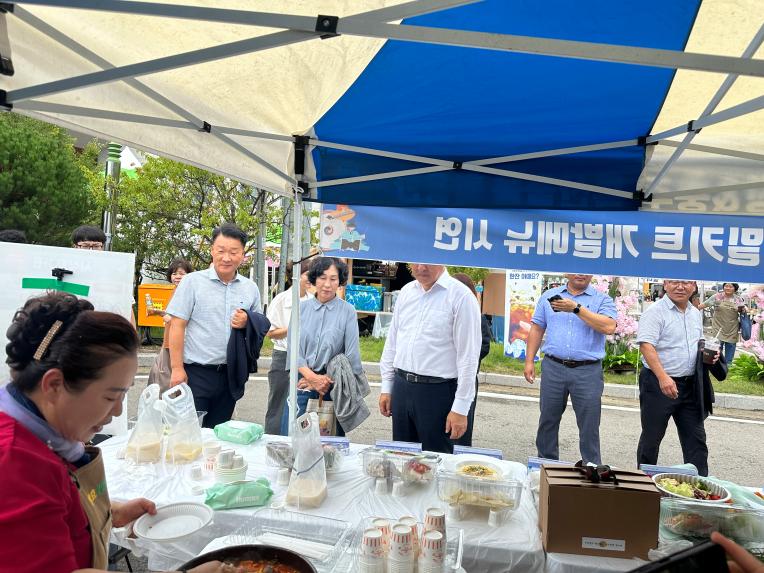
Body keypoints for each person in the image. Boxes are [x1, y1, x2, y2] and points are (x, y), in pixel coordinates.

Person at [0, 291, 231, 573]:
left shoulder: (45, 434)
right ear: (54, 385)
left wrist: (105, 513)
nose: (118, 412)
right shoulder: (15, 464)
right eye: (111, 397)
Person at [166, 223, 262, 428]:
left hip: (230, 374)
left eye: (234, 252)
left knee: (219, 434)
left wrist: (247, 321)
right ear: (212, 251)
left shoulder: (250, 288)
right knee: (188, 434)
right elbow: (177, 325)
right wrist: (176, 368)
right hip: (195, 373)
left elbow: (259, 325)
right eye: (221, 251)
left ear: (243, 255)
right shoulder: (192, 282)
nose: (226, 257)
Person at [379, 264, 481, 453]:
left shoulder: (461, 296)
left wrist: (460, 408)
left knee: (436, 462)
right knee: (403, 457)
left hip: (438, 393)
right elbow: (392, 342)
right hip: (402, 387)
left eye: (427, 261)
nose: (420, 267)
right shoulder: (407, 292)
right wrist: (387, 387)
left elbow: (468, 357)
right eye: (415, 262)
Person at [523, 274, 617, 464]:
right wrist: (529, 360)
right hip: (553, 367)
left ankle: (591, 467)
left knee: (589, 424)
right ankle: (546, 465)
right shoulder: (550, 296)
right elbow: (537, 328)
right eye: (575, 270)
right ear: (567, 273)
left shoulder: (601, 299)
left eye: (585, 271)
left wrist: (576, 309)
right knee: (548, 420)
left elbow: (608, 327)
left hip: (587, 371)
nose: (580, 274)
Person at [636, 279, 722, 476]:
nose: (680, 287)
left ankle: (699, 488)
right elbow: (646, 346)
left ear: (693, 286)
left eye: (686, 282)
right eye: (675, 282)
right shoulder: (655, 312)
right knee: (651, 439)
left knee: (696, 441)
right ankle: (643, 485)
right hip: (658, 384)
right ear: (665, 285)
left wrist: (709, 355)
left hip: (690, 386)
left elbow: (696, 343)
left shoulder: (694, 312)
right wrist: (663, 377)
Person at [292, 257, 362, 436]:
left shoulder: (348, 311)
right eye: (322, 278)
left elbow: (351, 355)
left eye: (333, 278)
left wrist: (323, 380)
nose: (327, 284)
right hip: (302, 383)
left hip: (333, 385)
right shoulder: (300, 308)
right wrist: (311, 378)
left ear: (340, 281)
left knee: (330, 446)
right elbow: (293, 350)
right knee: (299, 440)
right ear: (314, 279)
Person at [264, 260, 313, 435]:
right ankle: (273, 441)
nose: (311, 278)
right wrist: (292, 328)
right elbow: (270, 332)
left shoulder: (312, 300)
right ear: (295, 276)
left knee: (302, 403)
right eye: (307, 274)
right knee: (278, 402)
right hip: (283, 356)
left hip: (306, 358)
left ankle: (299, 442)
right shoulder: (281, 300)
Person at [450, 273, 492, 447]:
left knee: (460, 425)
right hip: (440, 378)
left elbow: (484, 346)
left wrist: (464, 358)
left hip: (465, 378)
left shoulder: (476, 315)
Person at [147, 258, 193, 391]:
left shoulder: (187, 292)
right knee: (161, 378)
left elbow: (178, 320)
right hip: (168, 341)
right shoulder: (174, 291)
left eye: (182, 273)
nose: (177, 277)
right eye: (174, 274)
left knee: (168, 382)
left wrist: (161, 314)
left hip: (179, 343)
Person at [700, 282, 748, 364]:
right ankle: (717, 366)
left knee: (731, 347)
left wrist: (744, 309)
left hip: (732, 328)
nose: (727, 288)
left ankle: (728, 366)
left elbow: (743, 311)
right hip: (718, 327)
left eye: (730, 286)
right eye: (726, 286)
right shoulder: (717, 297)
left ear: (735, 288)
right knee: (717, 347)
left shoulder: (738, 299)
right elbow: (703, 305)